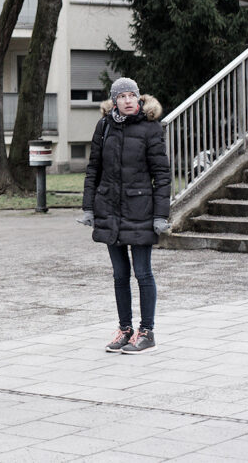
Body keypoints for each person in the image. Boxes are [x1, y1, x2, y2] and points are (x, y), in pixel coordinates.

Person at [77, 77, 171, 354]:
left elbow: (162, 175)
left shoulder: (151, 128)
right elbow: (94, 169)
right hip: (110, 210)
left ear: (139, 98)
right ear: (114, 100)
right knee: (120, 275)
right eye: (122, 96)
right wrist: (88, 208)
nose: (128, 100)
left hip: (140, 210)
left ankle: (147, 332)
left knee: (143, 273)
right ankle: (125, 329)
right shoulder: (104, 126)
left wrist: (160, 215)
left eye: (132, 95)